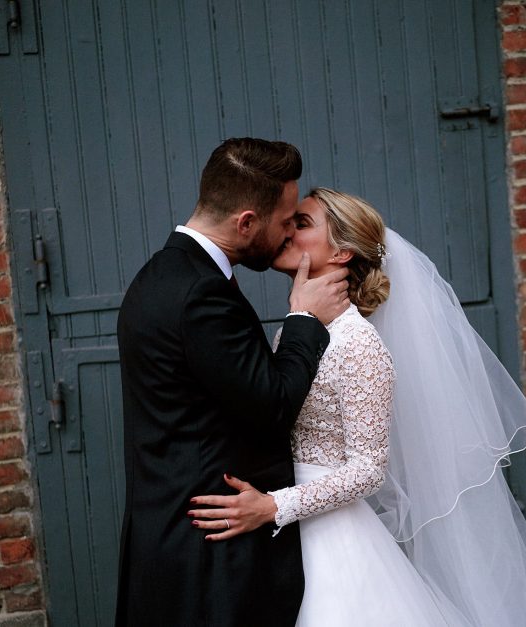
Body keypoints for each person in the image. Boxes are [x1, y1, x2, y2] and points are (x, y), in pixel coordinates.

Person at [190, 188, 526, 626]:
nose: (286, 232)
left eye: (302, 224)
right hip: (286, 533)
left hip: (330, 543)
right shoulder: (295, 330)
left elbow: (369, 469)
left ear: (341, 254)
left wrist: (274, 506)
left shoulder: (359, 346)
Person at [115, 139, 351, 627]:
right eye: (286, 221)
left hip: (174, 534)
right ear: (246, 222)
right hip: (211, 555)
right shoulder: (201, 294)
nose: (289, 233)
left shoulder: (159, 275)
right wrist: (305, 318)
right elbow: (273, 405)